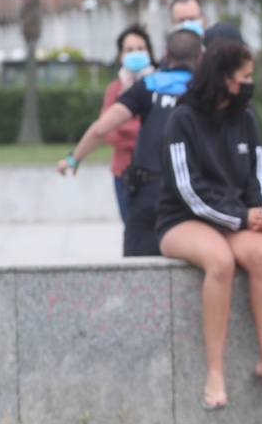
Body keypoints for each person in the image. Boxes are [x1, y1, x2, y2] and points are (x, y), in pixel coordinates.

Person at [156, 38, 262, 410]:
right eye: (245, 75)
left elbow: (259, 175)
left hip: (234, 218)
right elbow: (188, 190)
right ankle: (215, 372)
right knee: (220, 262)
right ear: (224, 77)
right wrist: (238, 217)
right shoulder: (182, 120)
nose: (251, 82)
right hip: (182, 220)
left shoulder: (245, 118)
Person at [59, 28, 202, 255]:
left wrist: (74, 159)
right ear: (201, 57)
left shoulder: (149, 85)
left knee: (140, 272)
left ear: (165, 54)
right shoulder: (209, 90)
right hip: (197, 193)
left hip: (150, 192)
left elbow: (101, 128)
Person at [100, 25, 154, 222]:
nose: (136, 54)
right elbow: (108, 133)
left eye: (140, 48)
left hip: (155, 174)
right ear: (120, 55)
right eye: (129, 50)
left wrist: (124, 127)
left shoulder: (159, 85)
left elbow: (160, 131)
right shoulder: (114, 90)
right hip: (123, 173)